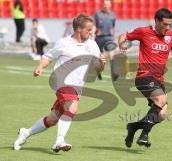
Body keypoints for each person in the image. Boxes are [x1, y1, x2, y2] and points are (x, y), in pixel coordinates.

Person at [13, 14, 106, 152]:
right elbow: (48, 57)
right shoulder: (63, 43)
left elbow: (98, 68)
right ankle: (59, 141)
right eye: (89, 29)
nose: (91, 31)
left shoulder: (92, 45)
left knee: (53, 119)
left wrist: (101, 64)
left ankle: (26, 132)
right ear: (78, 29)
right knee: (72, 108)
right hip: (62, 81)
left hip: (77, 86)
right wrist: (39, 67)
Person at [118, 8, 172, 148]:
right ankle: (144, 134)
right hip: (144, 77)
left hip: (158, 80)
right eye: (165, 24)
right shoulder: (144, 31)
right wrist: (121, 44)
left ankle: (133, 127)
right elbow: (123, 35)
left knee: (162, 114)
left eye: (169, 24)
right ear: (157, 21)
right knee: (161, 100)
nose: (167, 28)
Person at [94, 0, 117, 81]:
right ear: (102, 5)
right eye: (105, 4)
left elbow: (113, 27)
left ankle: (113, 73)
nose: (106, 6)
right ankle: (98, 72)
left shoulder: (113, 15)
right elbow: (94, 26)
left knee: (111, 54)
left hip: (109, 38)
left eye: (108, 4)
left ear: (110, 5)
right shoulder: (97, 14)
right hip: (99, 38)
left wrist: (114, 37)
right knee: (100, 58)